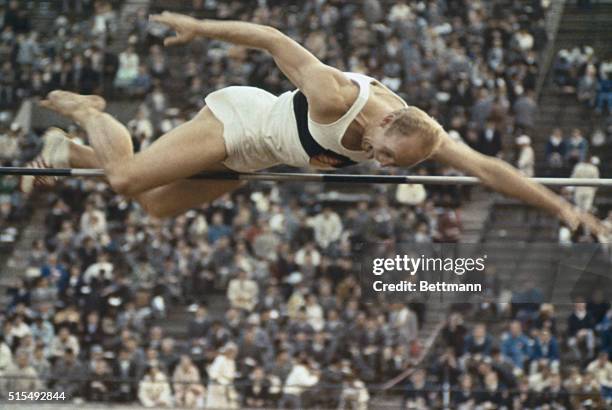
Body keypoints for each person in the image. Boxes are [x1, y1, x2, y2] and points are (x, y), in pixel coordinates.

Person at [27, 11, 605, 237]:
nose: (381, 164)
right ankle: (90, 113)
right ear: (386, 125)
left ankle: (75, 154)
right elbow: (275, 39)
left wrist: (565, 209)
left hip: (255, 159)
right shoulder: (335, 97)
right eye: (385, 154)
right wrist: (201, 28)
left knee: (154, 207)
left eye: (392, 166)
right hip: (240, 122)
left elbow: (491, 171)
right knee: (129, 181)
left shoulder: (417, 133)